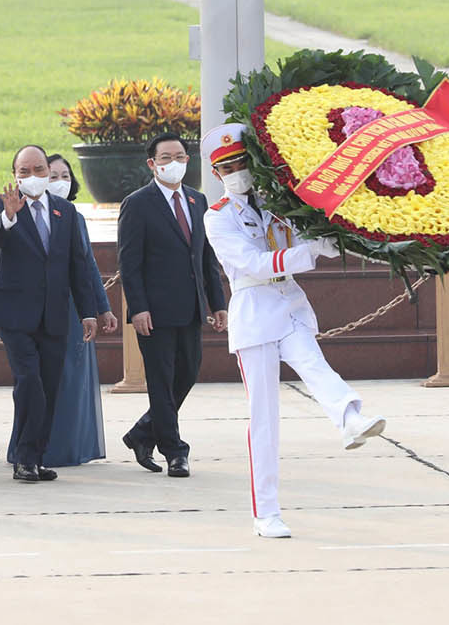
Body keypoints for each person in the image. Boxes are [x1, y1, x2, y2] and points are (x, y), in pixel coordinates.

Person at [201, 123, 386, 539]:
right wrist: (310, 252)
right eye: (227, 166)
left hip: (289, 306)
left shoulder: (279, 205)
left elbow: (313, 239)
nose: (237, 172)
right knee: (264, 417)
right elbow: (254, 264)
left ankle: (350, 419)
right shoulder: (218, 219)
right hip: (253, 312)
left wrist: (337, 236)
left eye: (241, 162)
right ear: (217, 174)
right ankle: (265, 512)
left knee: (315, 365)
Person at [0, 145, 100, 482]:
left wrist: (88, 312)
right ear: (14, 175)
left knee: (45, 386)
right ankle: (25, 457)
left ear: (48, 172)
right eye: (24, 171)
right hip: (14, 314)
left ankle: (33, 456)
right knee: (29, 382)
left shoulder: (64, 211)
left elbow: (78, 264)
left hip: (54, 315)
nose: (32, 177)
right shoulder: (0, 205)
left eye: (38, 170)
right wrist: (8, 216)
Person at [117, 132, 227, 477]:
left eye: (179, 156)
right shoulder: (137, 204)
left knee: (187, 373)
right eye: (165, 158)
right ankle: (175, 451)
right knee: (162, 382)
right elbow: (129, 263)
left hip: (191, 308)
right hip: (155, 311)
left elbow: (206, 257)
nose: (173, 163)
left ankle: (141, 433)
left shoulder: (198, 201)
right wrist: (138, 308)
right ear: (152, 164)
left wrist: (217, 302)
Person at [39, 155, 116, 468]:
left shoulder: (74, 217)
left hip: (75, 309)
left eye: (64, 175)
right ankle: (40, 447)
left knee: (73, 379)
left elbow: (87, 267)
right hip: (42, 308)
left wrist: (101, 308)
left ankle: (70, 446)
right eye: (52, 174)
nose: (59, 180)